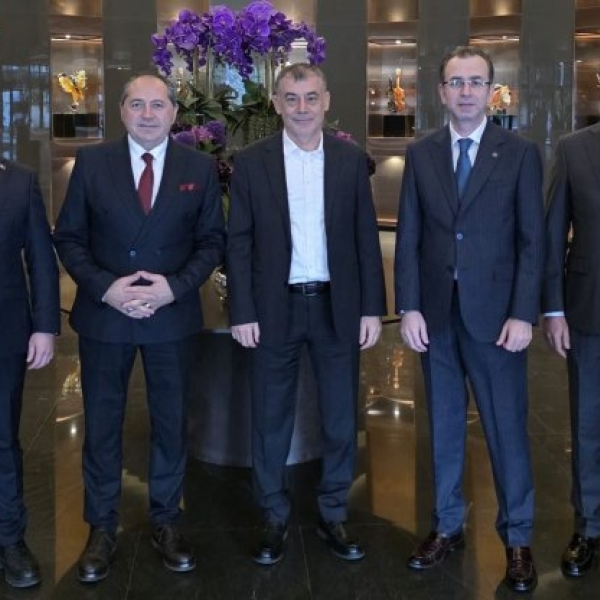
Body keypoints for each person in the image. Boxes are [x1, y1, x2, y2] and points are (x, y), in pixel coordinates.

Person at [53, 73, 225, 583]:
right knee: (102, 425)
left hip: (170, 315)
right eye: (137, 105)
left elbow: (212, 242)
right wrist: (107, 288)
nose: (147, 114)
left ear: (174, 113)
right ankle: (102, 527)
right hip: (106, 314)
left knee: (171, 422)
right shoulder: (91, 163)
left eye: (157, 105)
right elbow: (69, 238)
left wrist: (175, 288)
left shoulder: (199, 167)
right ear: (121, 111)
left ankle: (167, 519)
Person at [394, 46, 544, 593]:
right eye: (455, 82)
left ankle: (518, 537)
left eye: (475, 82)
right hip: (436, 316)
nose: (465, 92)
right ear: (441, 91)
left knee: (506, 428)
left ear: (492, 91)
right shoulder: (422, 154)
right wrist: (408, 305)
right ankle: (447, 525)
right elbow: (409, 235)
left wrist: (523, 313)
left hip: (498, 320)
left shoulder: (519, 153)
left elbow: (532, 241)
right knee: (443, 424)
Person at [227, 63, 386, 565]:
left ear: (326, 101)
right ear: (276, 103)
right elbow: (239, 242)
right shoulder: (250, 162)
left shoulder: (350, 160)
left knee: (340, 417)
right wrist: (242, 310)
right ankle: (273, 514)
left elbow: (365, 237)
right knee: (270, 416)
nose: (301, 108)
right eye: (291, 98)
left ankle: (333, 510)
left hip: (337, 306)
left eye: (310, 97)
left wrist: (372, 309)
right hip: (274, 308)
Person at [543, 124, 600, 578]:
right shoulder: (574, 149)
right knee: (587, 424)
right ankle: (589, 525)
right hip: (587, 307)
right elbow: (552, 233)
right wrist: (554, 308)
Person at [0, 159, 60, 589]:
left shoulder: (19, 182)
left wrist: (44, 326)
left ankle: (9, 537)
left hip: (6, 331)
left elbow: (41, 258)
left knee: (3, 438)